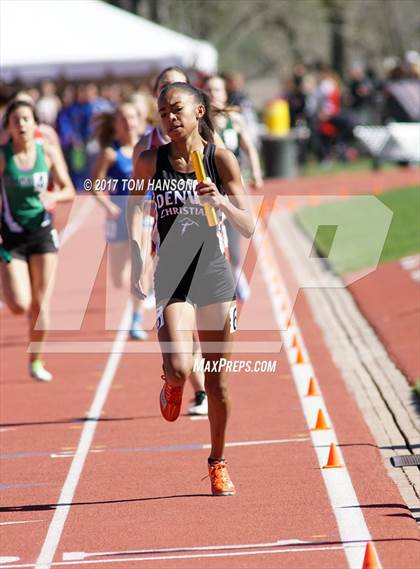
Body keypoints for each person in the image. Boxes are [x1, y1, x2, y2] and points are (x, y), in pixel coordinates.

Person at [128, 82, 253, 495]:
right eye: (162, 113)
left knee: (217, 383)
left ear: (199, 112)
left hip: (214, 275)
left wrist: (221, 202)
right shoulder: (150, 162)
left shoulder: (220, 159)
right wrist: (138, 258)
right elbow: (136, 210)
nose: (169, 118)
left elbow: (249, 225)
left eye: (176, 109)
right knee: (181, 367)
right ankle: (171, 382)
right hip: (174, 276)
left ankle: (217, 461)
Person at [134, 66, 209, 416]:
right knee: (181, 342)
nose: (169, 97)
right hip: (165, 248)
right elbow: (134, 204)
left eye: (176, 90)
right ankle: (181, 380)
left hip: (209, 251)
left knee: (203, 339)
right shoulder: (147, 150)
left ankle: (206, 390)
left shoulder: (210, 146)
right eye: (162, 91)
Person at [0, 99, 75, 381]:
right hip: (12, 237)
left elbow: (68, 189)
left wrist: (53, 196)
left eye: (26, 119)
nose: (21, 125)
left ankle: (36, 360)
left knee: (40, 304)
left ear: (35, 124)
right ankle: (7, 278)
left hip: (42, 233)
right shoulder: (3, 156)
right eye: (15, 120)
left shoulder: (49, 152)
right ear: (7, 126)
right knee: (20, 304)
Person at [91, 102, 148, 340]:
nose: (127, 123)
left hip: (142, 214)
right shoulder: (110, 153)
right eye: (122, 119)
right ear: (116, 125)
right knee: (117, 278)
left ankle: (136, 317)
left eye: (131, 117)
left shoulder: (148, 149)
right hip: (118, 215)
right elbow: (95, 185)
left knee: (140, 266)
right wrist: (109, 206)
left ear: (139, 120)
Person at [204, 74, 263, 302]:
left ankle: (237, 270)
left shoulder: (235, 119)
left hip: (234, 185)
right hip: (212, 186)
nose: (213, 94)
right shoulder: (201, 122)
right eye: (208, 90)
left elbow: (249, 147)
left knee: (237, 230)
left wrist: (256, 173)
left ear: (225, 94)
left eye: (217, 90)